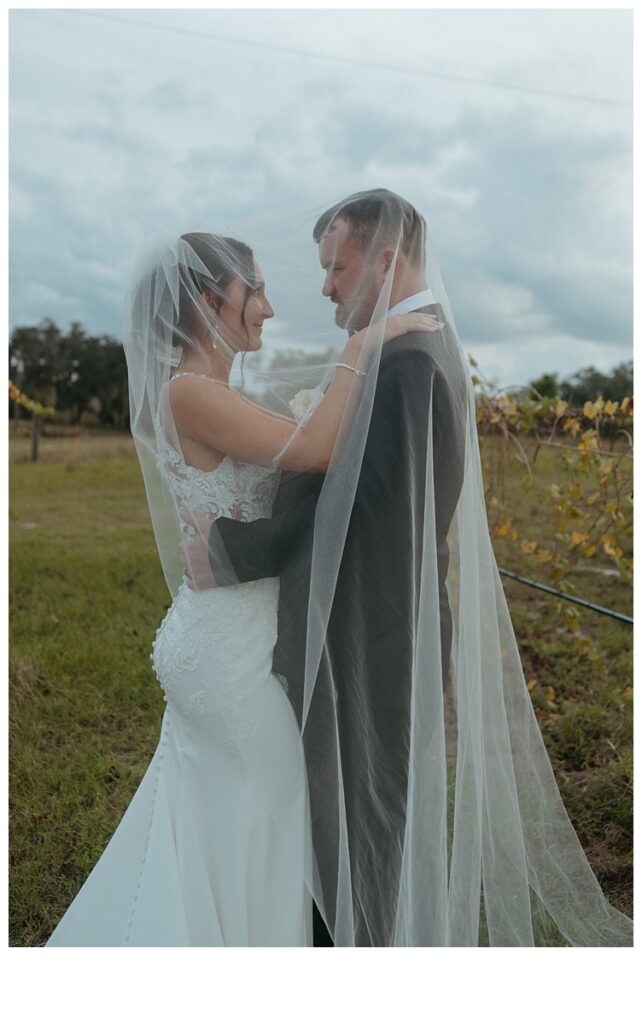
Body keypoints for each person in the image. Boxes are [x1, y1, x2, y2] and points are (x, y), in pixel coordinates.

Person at [180, 189, 633, 947]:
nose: (323, 284)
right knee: (346, 830)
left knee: (359, 841)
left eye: (337, 265)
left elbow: (364, 513)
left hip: (372, 637)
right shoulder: (404, 348)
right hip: (374, 625)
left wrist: (229, 551)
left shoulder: (407, 362)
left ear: (386, 260)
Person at [44, 229, 437, 947]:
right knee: (277, 812)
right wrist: (359, 349)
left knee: (223, 819)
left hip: (232, 638)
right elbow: (316, 450)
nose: (270, 307)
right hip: (226, 655)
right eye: (254, 290)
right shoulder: (189, 392)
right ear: (209, 299)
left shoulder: (216, 391)